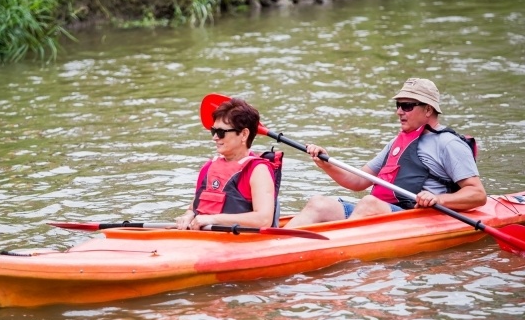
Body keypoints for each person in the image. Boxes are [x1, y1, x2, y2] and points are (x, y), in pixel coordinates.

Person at [285, 78, 486, 227]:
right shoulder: (396, 143)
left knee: (369, 203)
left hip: (417, 217)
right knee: (318, 203)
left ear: (428, 110)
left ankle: (332, 248)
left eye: (407, 106)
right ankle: (277, 244)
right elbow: (357, 181)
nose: (399, 111)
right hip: (385, 212)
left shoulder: (449, 143)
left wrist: (438, 199)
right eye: (398, 105)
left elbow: (477, 194)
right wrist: (325, 163)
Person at [176, 97, 282, 230]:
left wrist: (213, 219)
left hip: (243, 239)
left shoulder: (258, 171)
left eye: (221, 132)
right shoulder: (208, 168)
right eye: (214, 131)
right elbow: (194, 207)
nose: (214, 137)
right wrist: (187, 216)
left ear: (244, 134)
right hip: (204, 237)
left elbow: (264, 220)